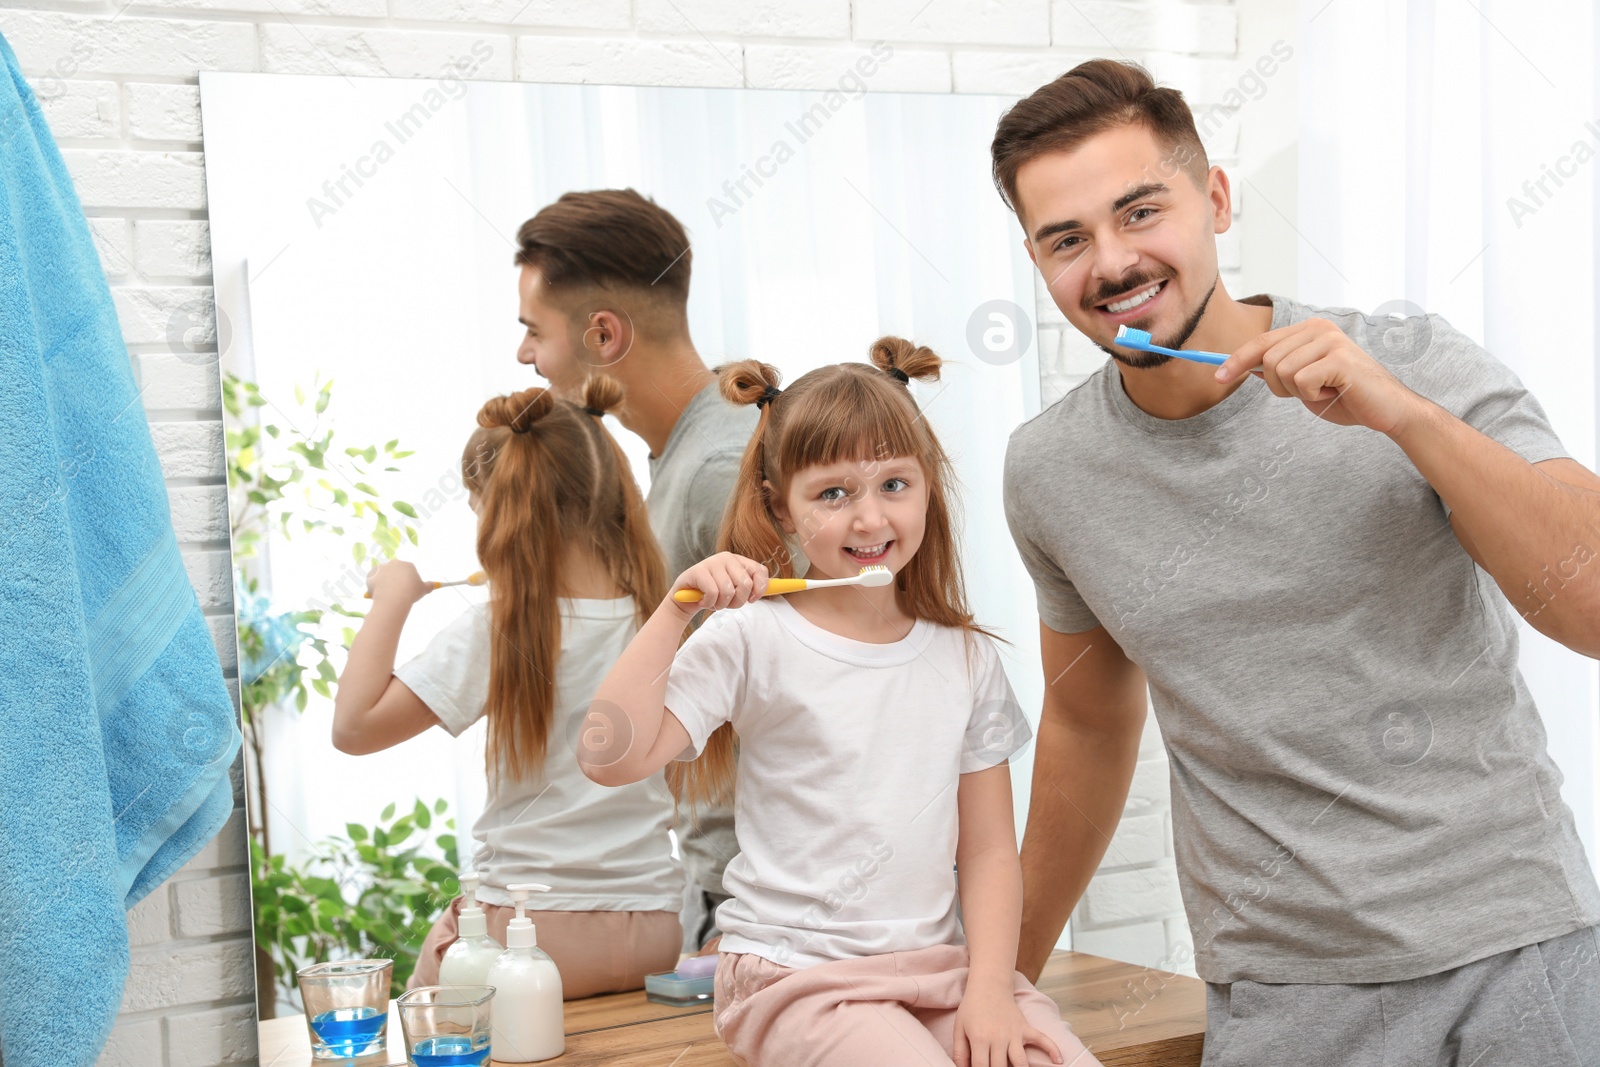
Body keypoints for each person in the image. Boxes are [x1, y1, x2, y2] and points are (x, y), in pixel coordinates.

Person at [993, 59, 1600, 1064]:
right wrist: (996, 977)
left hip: (1520, 952)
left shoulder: (1413, 361)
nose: (1109, 262)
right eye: (1067, 239)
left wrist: (1401, 416)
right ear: (1036, 258)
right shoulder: (1051, 471)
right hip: (1287, 996)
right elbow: (1089, 722)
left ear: (1216, 199)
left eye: (1139, 211)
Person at [578, 338, 1098, 1067]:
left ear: (928, 487)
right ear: (780, 510)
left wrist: (989, 990)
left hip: (937, 971)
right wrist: (675, 610)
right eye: (832, 493)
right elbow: (609, 756)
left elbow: (986, 852)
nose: (869, 518)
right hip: (793, 976)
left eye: (894, 483)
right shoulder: (748, 639)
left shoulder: (967, 657)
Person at [329, 379, 684, 998]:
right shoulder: (664, 623)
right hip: (655, 930)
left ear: (503, 512)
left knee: (424, 1004)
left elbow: (354, 728)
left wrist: (392, 598)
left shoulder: (503, 627)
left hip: (533, 937)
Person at [511, 188, 758, 955]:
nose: (525, 356)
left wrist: (762, 917)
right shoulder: (685, 456)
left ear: (605, 333)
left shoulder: (720, 466)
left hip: (771, 901)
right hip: (730, 888)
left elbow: (823, 691)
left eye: (533, 331)